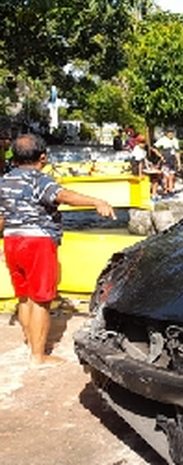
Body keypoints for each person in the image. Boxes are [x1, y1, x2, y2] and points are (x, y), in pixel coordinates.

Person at [0, 133, 116, 366]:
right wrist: (97, 202)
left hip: (12, 241)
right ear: (42, 157)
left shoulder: (5, 180)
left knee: (24, 296)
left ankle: (30, 341)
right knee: (42, 299)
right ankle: (38, 355)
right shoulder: (39, 179)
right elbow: (63, 196)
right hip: (38, 241)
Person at [154, 128, 181, 196]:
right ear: (167, 133)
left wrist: (179, 162)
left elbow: (177, 152)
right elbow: (154, 148)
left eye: (172, 132)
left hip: (173, 160)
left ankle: (171, 190)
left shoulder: (175, 140)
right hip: (165, 159)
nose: (171, 134)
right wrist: (160, 156)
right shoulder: (163, 140)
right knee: (165, 176)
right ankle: (165, 190)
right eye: (169, 132)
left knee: (172, 176)